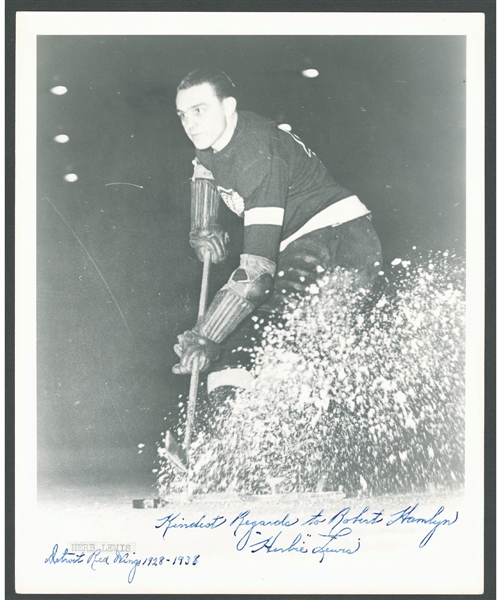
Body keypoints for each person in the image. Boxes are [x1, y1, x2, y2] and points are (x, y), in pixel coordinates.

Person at [172, 69, 382, 400]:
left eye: (200, 111)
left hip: (338, 243)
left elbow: (255, 276)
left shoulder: (259, 157)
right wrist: (204, 224)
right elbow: (204, 169)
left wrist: (206, 336)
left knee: (257, 343)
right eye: (183, 115)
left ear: (228, 107)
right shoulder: (212, 138)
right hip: (307, 243)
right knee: (277, 353)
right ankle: (259, 428)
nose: (190, 124)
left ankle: (247, 431)